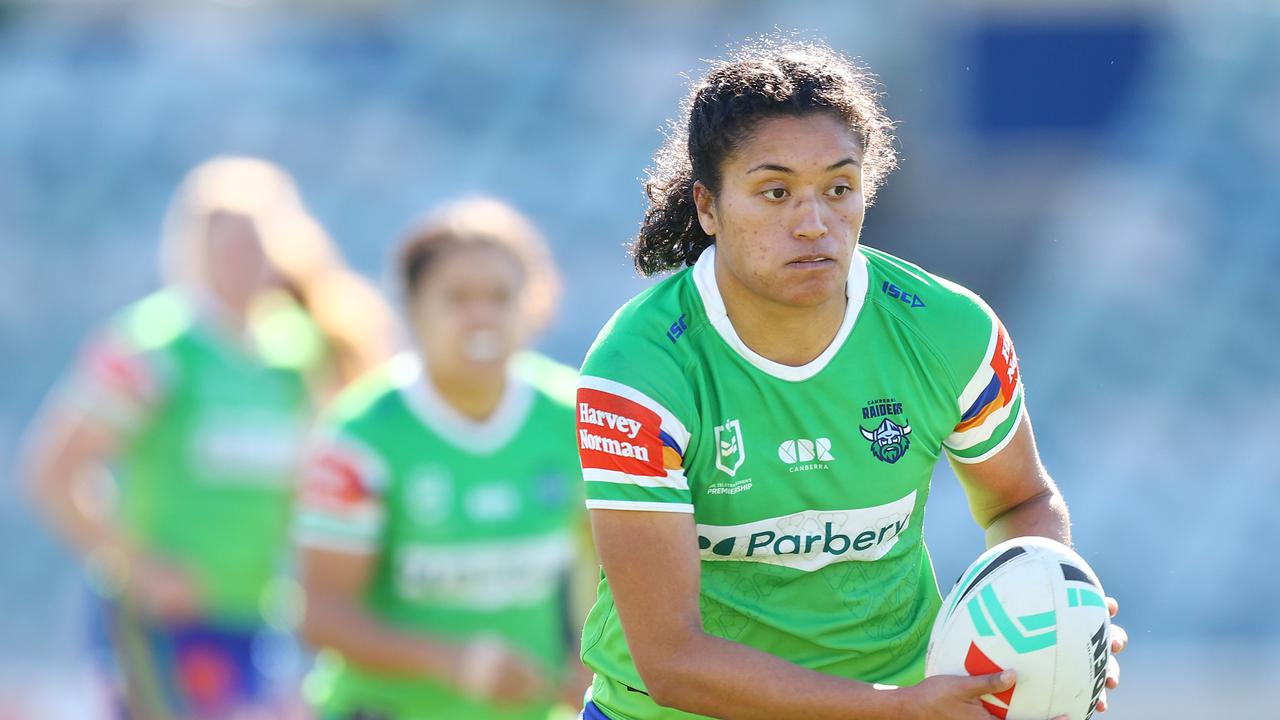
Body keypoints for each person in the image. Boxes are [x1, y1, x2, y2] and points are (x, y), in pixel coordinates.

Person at [574, 38, 1128, 720]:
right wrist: (894, 708)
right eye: (775, 192)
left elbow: (1020, 502)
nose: (814, 224)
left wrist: (1054, 611)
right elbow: (673, 660)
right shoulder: (639, 371)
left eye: (839, 188)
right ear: (708, 206)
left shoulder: (950, 330)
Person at [21, 156, 373, 719]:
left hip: (257, 613)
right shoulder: (154, 346)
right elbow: (52, 472)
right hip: (161, 621)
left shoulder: (297, 353)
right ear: (195, 250)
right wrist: (138, 567)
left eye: (255, 245)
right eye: (228, 246)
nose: (243, 261)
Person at [294, 197, 593, 720]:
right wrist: (452, 662)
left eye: (500, 296)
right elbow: (322, 617)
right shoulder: (361, 435)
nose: (481, 316)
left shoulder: (577, 418)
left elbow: (617, 573)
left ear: (535, 302)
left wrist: (590, 668)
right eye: (457, 298)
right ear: (413, 308)